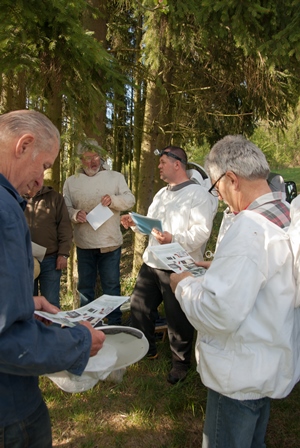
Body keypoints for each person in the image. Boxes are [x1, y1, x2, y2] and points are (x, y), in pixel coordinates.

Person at [170, 135, 300, 447]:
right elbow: (270, 272)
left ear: (231, 179)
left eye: (217, 188)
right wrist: (221, 266)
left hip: (238, 375)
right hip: (268, 363)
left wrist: (183, 283)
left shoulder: (248, 228)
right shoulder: (286, 213)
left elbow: (217, 313)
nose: (221, 199)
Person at [0, 109, 106, 447]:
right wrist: (78, 343)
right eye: (44, 165)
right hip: (10, 407)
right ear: (24, 145)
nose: (42, 179)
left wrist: (23, 303)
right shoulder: (5, 210)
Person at [121, 146, 217, 384]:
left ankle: (180, 364)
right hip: (153, 261)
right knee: (139, 307)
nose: (160, 166)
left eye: (163, 162)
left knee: (178, 319)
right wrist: (134, 223)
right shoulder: (161, 194)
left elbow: (202, 232)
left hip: (179, 266)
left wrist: (174, 238)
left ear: (178, 164)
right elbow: (152, 227)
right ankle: (147, 349)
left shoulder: (198, 195)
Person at [63, 139, 135, 325]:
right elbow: (66, 207)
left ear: (101, 157)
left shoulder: (115, 177)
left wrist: (112, 200)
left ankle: (114, 324)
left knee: (111, 286)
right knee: (85, 287)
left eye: (96, 156)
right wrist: (75, 214)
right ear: (80, 160)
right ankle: (88, 325)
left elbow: (130, 200)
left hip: (110, 242)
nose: (93, 161)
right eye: (87, 158)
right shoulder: (71, 182)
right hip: (84, 243)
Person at [24, 185, 73, 308]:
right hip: (24, 259)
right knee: (27, 303)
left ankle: (53, 328)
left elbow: (65, 227)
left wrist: (63, 254)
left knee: (51, 304)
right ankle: (30, 328)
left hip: (51, 259)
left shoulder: (55, 198)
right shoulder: (17, 197)